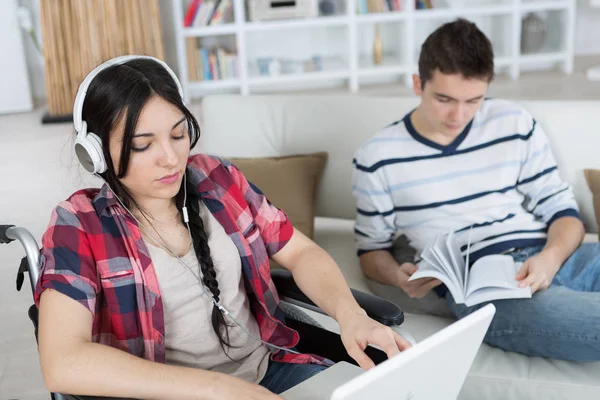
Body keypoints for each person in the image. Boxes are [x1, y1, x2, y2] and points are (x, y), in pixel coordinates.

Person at [34, 55, 411, 400]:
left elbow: (299, 251)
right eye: (142, 145)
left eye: (178, 134)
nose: (171, 158)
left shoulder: (217, 177)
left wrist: (350, 315)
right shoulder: (78, 224)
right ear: (95, 152)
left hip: (270, 371)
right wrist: (221, 389)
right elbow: (64, 361)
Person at [352, 18, 600, 362]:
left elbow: (564, 213)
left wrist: (550, 258)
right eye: (444, 98)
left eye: (474, 100)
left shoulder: (514, 122)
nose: (459, 115)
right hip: (482, 285)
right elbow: (370, 251)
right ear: (416, 84)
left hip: (554, 256)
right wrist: (396, 275)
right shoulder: (377, 157)